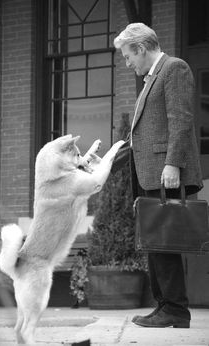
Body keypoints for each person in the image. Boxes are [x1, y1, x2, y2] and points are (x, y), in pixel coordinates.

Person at [112, 23, 203, 328]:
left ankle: (175, 309)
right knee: (155, 241)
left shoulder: (174, 68)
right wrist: (107, 162)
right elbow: (141, 136)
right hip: (151, 172)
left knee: (164, 242)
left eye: (128, 57)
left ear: (140, 48)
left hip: (165, 171)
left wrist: (173, 164)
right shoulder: (152, 78)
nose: (127, 64)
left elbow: (181, 119)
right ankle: (166, 305)